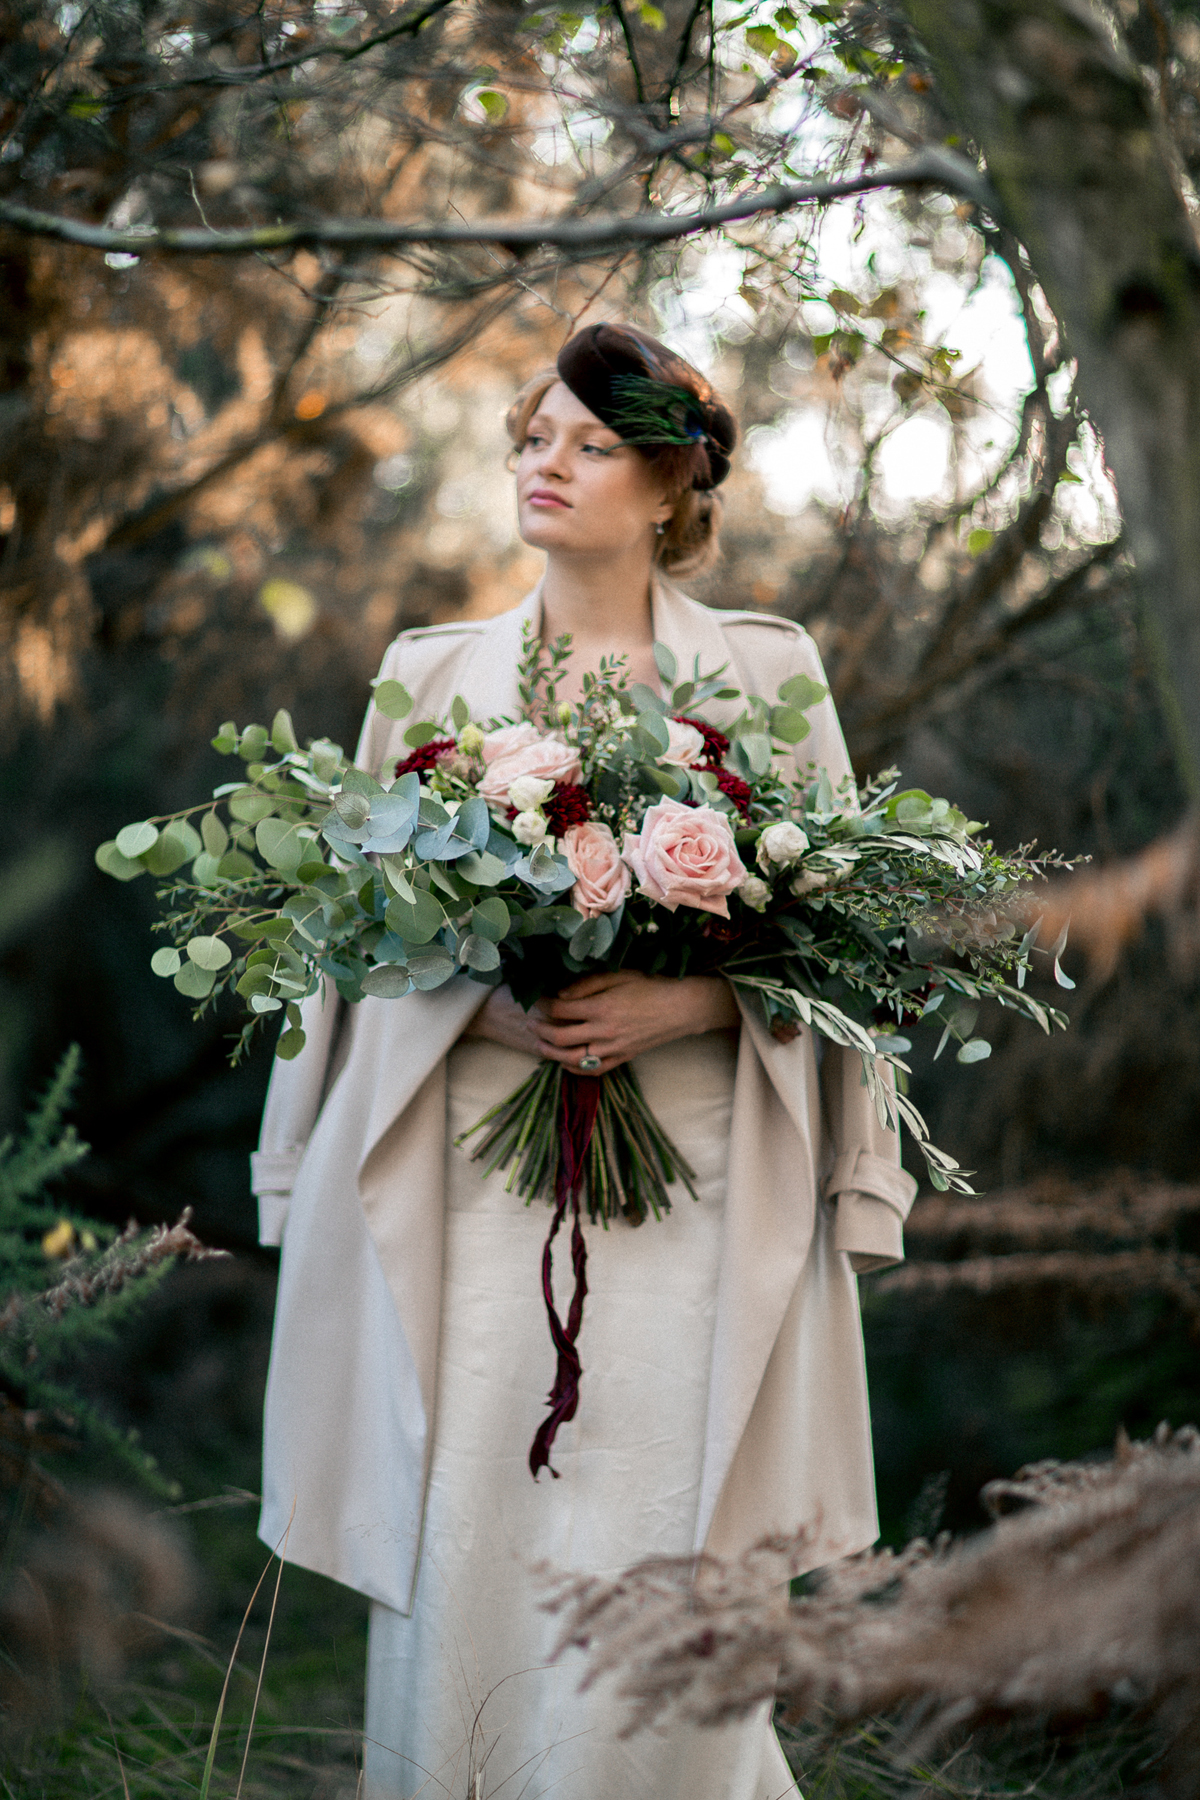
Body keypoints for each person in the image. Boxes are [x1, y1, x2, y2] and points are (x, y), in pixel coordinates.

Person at [251, 323, 918, 1800]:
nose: (543, 465)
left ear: (673, 482)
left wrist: (687, 1010)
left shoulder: (767, 669)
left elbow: (854, 943)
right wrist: (480, 1008)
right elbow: (345, 944)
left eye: (587, 445)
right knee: (474, 1515)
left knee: (670, 1542)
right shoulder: (431, 678)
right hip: (478, 1187)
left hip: (696, 1177)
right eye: (533, 439)